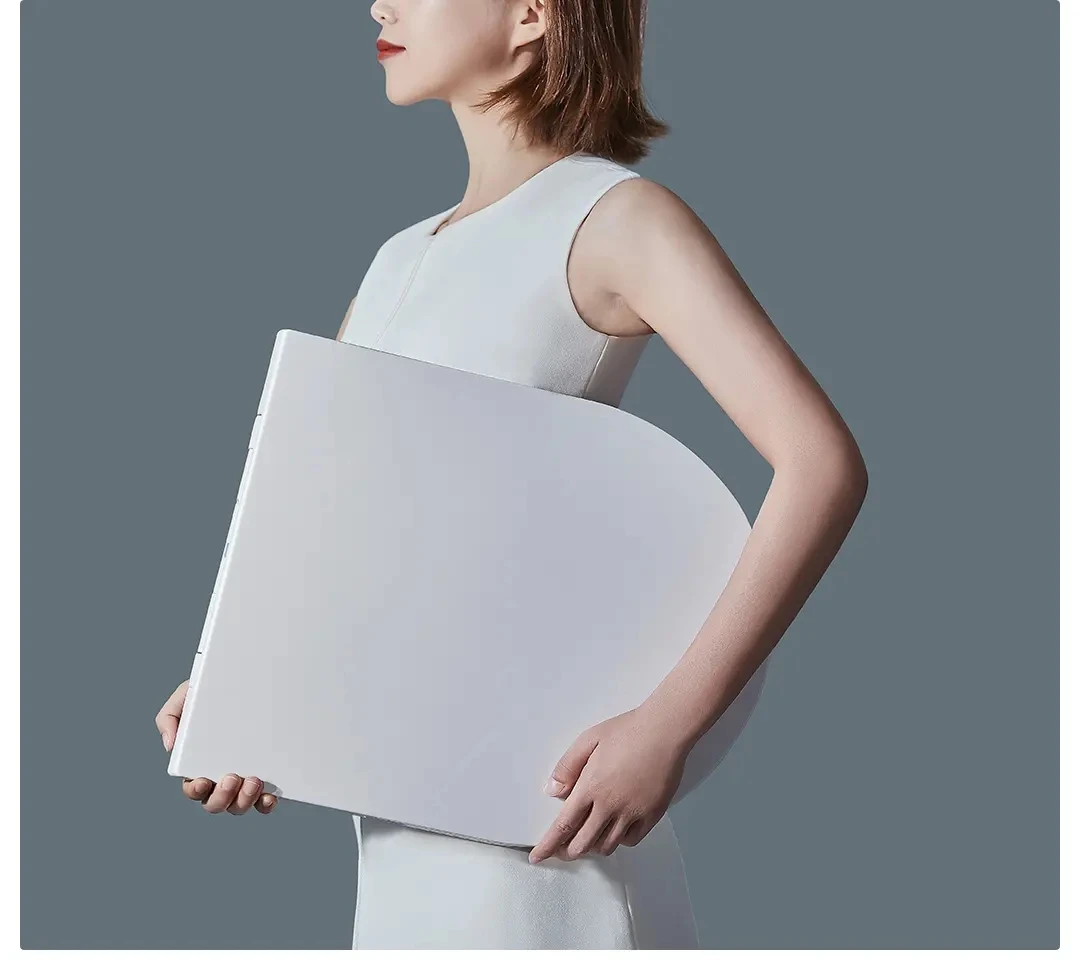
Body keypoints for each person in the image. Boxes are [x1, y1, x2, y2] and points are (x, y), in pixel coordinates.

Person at [156, 0, 869, 950]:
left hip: (549, 831)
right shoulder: (397, 259)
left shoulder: (617, 220)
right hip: (400, 832)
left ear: (533, 13)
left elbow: (822, 464)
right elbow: (336, 527)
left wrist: (667, 726)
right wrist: (237, 692)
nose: (379, 4)